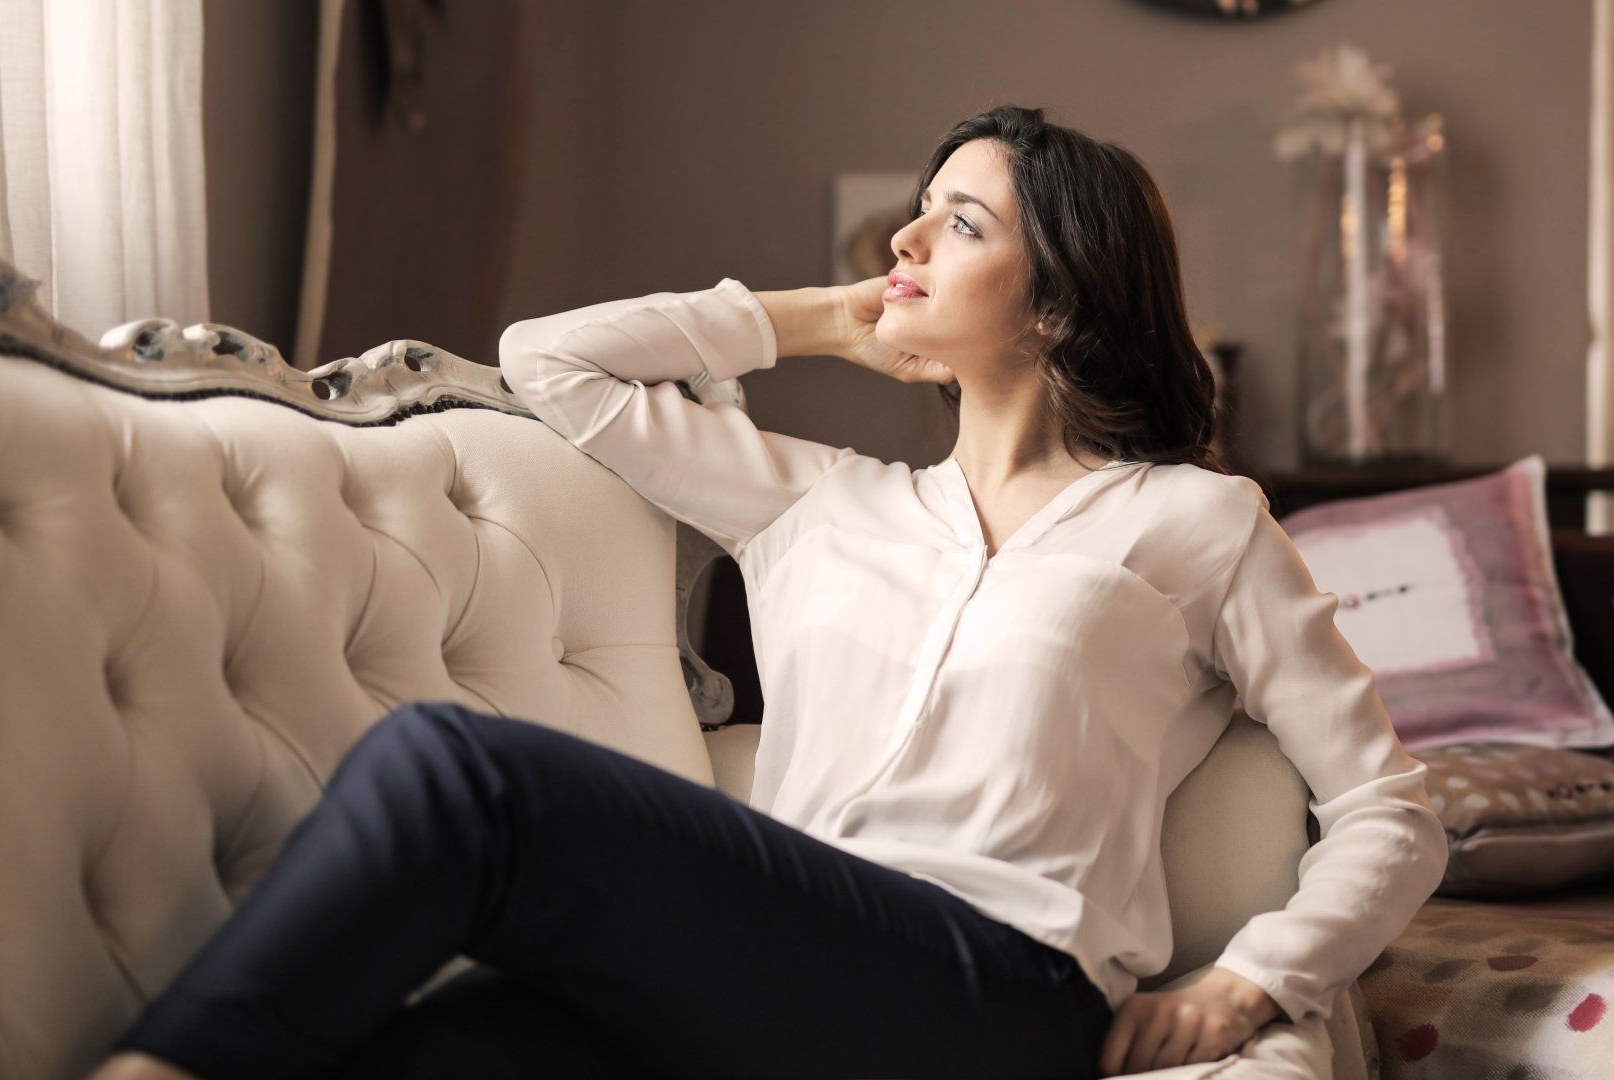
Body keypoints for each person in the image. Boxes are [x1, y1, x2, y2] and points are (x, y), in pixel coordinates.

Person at [92, 105, 1447, 1080]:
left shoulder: (1196, 523)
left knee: (469, 776)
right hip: (777, 978)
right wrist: (808, 315)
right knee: (437, 1049)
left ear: (1061, 304)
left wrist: (1254, 976)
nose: (908, 236)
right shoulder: (815, 495)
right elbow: (547, 363)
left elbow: (1392, 806)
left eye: (960, 221)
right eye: (919, 208)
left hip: (994, 999)